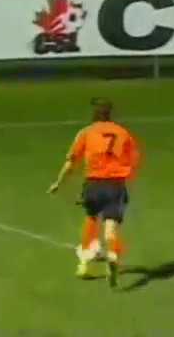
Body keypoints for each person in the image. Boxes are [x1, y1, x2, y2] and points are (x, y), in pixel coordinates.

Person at [47, 97, 140, 287]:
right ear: (110, 114)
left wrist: (58, 182)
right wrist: (124, 175)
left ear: (94, 114)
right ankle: (113, 255)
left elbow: (71, 161)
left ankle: (84, 264)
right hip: (115, 185)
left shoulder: (87, 132)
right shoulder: (123, 133)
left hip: (94, 184)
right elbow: (134, 158)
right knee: (111, 228)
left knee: (91, 219)